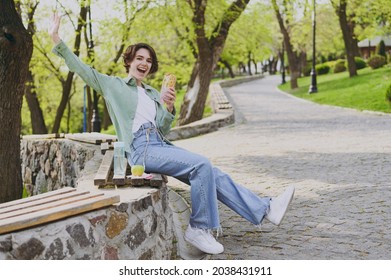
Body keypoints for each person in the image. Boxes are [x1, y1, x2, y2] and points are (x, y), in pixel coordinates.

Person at [49, 13, 295, 255]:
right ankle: (199, 228)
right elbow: (82, 69)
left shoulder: (154, 93)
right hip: (140, 150)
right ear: (130, 61)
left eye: (148, 60)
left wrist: (168, 108)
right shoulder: (113, 85)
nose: (144, 63)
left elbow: (164, 129)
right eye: (139, 58)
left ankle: (265, 210)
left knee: (212, 173)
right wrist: (56, 39)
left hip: (160, 145)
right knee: (201, 165)